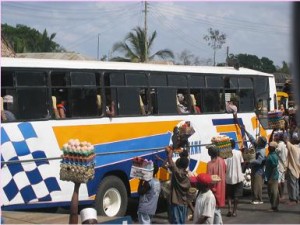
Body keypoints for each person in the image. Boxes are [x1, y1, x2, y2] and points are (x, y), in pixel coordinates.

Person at [165, 146, 191, 224]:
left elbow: (169, 158)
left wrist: (172, 148)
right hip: (184, 203)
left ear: (178, 164)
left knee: (176, 221)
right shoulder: (186, 177)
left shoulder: (177, 173)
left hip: (176, 202)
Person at [242, 126, 267, 204]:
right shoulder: (258, 146)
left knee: (257, 184)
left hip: (258, 170)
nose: (257, 140)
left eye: (258, 140)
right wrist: (245, 130)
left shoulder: (261, 151)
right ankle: (254, 198)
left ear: (261, 142)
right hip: (254, 168)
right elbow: (251, 139)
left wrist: (251, 161)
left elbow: (259, 161)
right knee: (253, 184)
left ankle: (258, 199)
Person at [206, 145, 226, 224]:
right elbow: (225, 170)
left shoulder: (209, 164)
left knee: (215, 210)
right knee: (217, 209)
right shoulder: (221, 160)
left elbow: (209, 179)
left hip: (213, 189)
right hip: (221, 187)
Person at [225, 139, 244, 217]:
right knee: (236, 196)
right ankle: (234, 211)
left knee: (229, 195)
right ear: (234, 145)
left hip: (229, 177)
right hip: (238, 177)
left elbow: (225, 165)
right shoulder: (239, 153)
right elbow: (242, 163)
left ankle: (229, 209)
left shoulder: (225, 154)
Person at [269, 130, 287, 201]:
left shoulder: (280, 145)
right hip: (284, 165)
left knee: (278, 181)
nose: (275, 137)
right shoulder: (285, 144)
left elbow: (274, 150)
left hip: (279, 165)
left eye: (276, 136)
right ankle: (282, 194)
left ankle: (281, 195)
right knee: (282, 180)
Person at [284, 133, 300, 205]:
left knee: (292, 185)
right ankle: (297, 198)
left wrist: (286, 129)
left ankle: (293, 199)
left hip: (292, 169)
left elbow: (285, 140)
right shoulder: (298, 148)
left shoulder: (292, 148)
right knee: (296, 184)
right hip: (297, 169)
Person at [265, 141, 280, 212]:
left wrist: (270, 178)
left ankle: (274, 207)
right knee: (273, 192)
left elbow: (274, 167)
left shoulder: (273, 156)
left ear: (273, 148)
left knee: (273, 192)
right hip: (270, 176)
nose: (268, 147)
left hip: (272, 177)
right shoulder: (270, 154)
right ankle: (274, 206)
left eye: (270, 146)